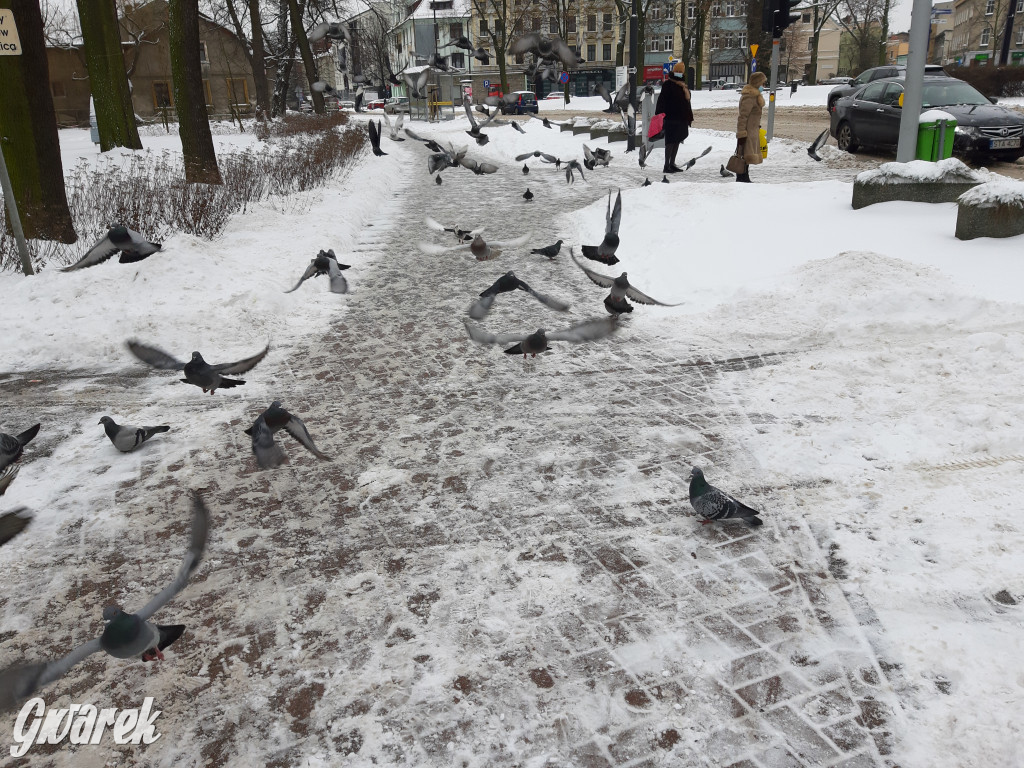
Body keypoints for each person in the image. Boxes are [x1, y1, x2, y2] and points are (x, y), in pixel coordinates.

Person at [655, 62, 694, 174]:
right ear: (674, 71)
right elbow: (662, 100)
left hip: (681, 117)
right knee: (670, 141)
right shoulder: (668, 84)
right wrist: (660, 115)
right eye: (678, 71)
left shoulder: (683, 85)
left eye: (681, 72)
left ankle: (672, 163)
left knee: (677, 140)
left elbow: (687, 100)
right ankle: (666, 165)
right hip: (671, 117)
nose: (679, 73)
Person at [735, 71, 767, 183]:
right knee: (744, 155)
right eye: (762, 83)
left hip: (752, 131)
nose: (764, 86)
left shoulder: (756, 96)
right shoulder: (749, 97)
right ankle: (741, 178)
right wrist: (742, 133)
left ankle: (745, 177)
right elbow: (743, 117)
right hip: (747, 131)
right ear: (757, 83)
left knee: (747, 155)